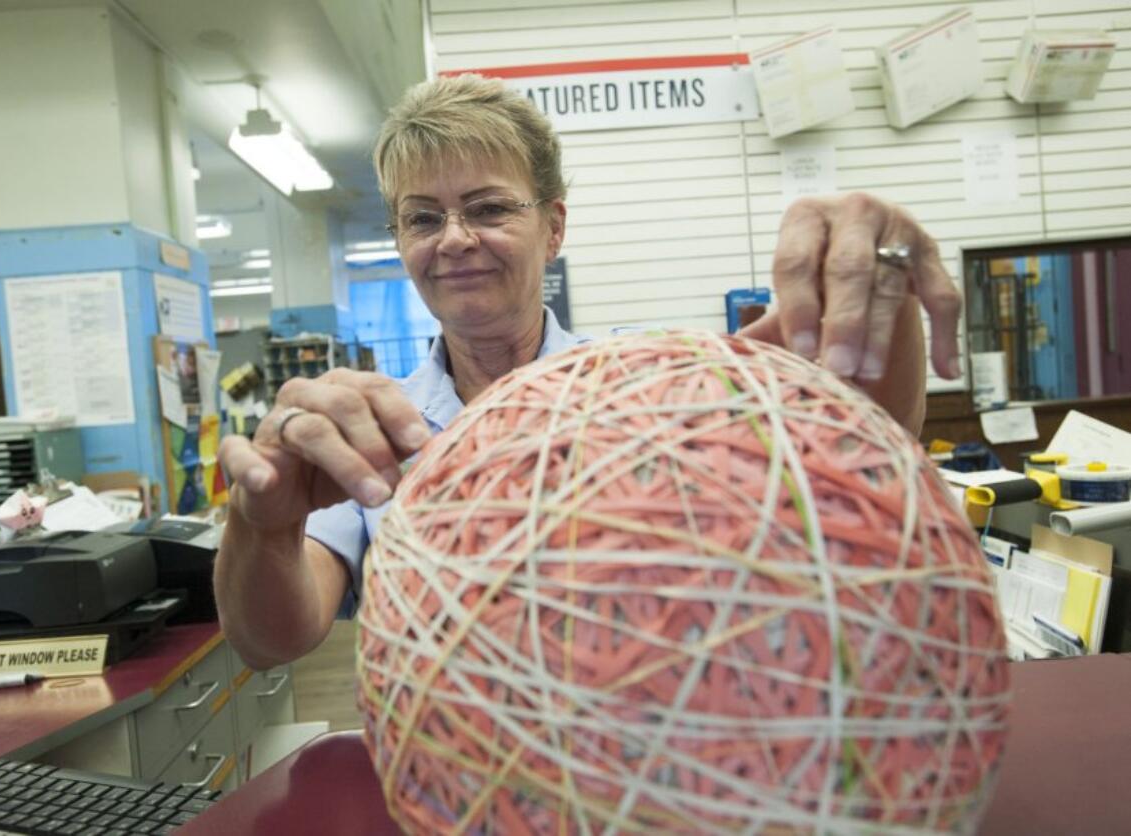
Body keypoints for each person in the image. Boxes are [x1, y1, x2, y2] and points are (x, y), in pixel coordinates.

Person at [215, 74, 963, 670]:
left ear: (556, 226)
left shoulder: (644, 387)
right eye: (422, 217)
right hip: (461, 785)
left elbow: (870, 439)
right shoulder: (368, 431)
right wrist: (261, 531)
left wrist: (876, 281)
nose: (454, 240)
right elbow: (272, 640)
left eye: (488, 207)